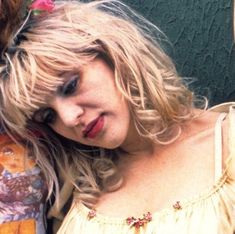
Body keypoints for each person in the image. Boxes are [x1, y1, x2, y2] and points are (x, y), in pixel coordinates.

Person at [0, 0, 234, 233]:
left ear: (110, 54)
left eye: (71, 86)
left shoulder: (226, 143)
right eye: (49, 116)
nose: (70, 118)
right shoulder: (77, 194)